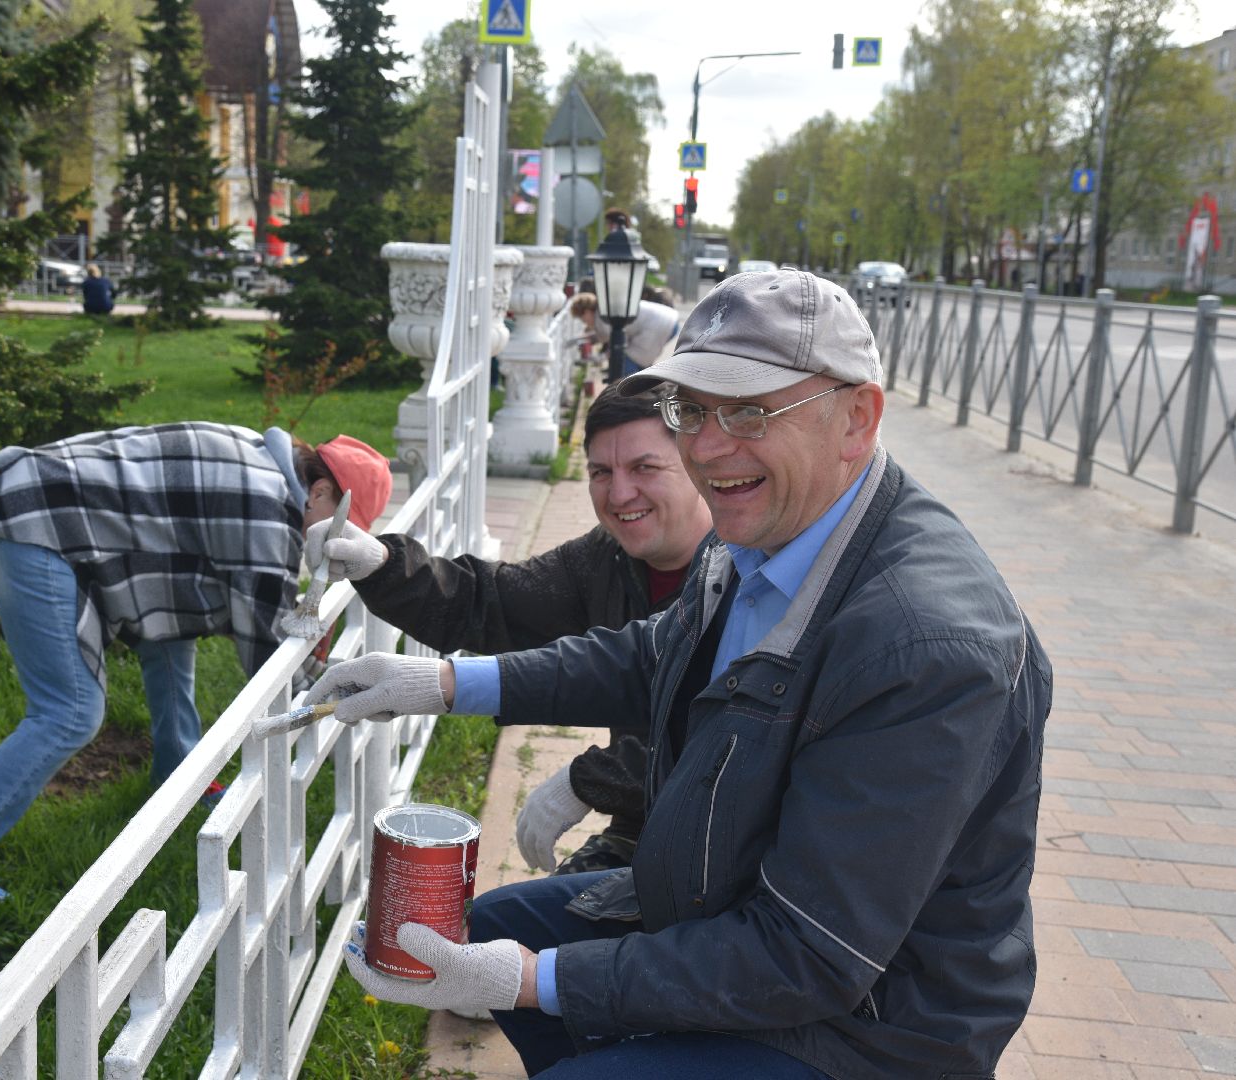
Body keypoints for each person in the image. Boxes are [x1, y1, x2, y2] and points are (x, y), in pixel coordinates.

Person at [300, 268, 1052, 1078]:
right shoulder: (766, 529)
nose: (709, 447)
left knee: (544, 1001)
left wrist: (529, 981)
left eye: (751, 412)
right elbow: (658, 653)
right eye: (691, 410)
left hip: (868, 1023)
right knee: (496, 926)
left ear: (857, 418)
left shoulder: (924, 645)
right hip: (724, 906)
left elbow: (809, 955)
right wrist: (446, 685)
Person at [0, 423, 392, 908]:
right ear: (320, 491)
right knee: (69, 712)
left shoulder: (257, 454)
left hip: (34, 502)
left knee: (169, 632)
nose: (331, 545)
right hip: (33, 525)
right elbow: (266, 659)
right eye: (337, 528)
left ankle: (176, 774)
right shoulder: (265, 508)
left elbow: (193, 583)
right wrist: (335, 691)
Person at [304, 383, 713, 874]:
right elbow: (493, 602)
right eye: (601, 472)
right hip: (642, 830)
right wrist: (382, 563)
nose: (620, 493)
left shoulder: (743, 574)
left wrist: (593, 778)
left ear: (697, 463)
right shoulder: (606, 559)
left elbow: (727, 745)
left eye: (645, 468)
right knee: (476, 928)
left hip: (734, 855)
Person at [568, 291, 680, 381]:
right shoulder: (605, 310)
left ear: (587, 312)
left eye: (582, 318)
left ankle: (633, 397)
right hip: (668, 320)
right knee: (639, 365)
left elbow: (617, 343)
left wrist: (599, 357)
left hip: (656, 325)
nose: (584, 322)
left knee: (627, 364)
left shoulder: (601, 318)